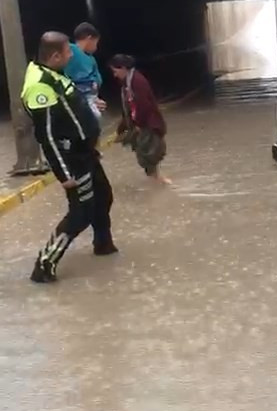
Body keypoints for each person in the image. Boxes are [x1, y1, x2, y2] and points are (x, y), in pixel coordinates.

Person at [21, 32, 117, 284]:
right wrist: (63, 174)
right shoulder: (40, 86)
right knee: (81, 212)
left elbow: (68, 106)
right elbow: (47, 135)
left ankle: (103, 245)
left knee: (103, 195)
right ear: (54, 56)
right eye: (67, 52)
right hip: (73, 159)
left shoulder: (53, 74)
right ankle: (44, 264)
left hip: (85, 152)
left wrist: (90, 103)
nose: (72, 54)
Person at [110, 54, 170, 184]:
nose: (115, 75)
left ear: (124, 68)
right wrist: (122, 128)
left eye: (115, 71)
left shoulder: (137, 81)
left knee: (149, 153)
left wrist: (138, 124)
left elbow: (143, 105)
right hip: (141, 124)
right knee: (145, 152)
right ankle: (156, 179)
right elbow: (128, 109)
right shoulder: (127, 82)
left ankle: (158, 181)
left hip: (147, 124)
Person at [65, 22, 105, 123]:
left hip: (91, 96)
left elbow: (97, 78)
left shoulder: (91, 59)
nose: (96, 47)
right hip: (78, 97)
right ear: (89, 38)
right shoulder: (69, 50)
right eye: (96, 43)